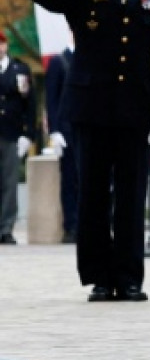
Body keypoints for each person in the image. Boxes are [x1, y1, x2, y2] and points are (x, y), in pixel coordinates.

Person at [29, 0, 150, 300]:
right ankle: (98, 276)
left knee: (131, 195)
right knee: (93, 193)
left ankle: (129, 277)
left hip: (136, 109)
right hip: (90, 107)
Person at [0, 31, 36, 245]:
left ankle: (6, 228)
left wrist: (28, 134)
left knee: (9, 184)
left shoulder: (19, 70)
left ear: (5, 46)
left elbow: (29, 105)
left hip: (11, 133)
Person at [44, 46, 79, 243]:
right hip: (66, 132)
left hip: (88, 128)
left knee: (90, 181)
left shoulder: (91, 55)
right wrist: (55, 130)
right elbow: (51, 98)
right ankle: (71, 226)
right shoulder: (59, 61)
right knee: (69, 181)